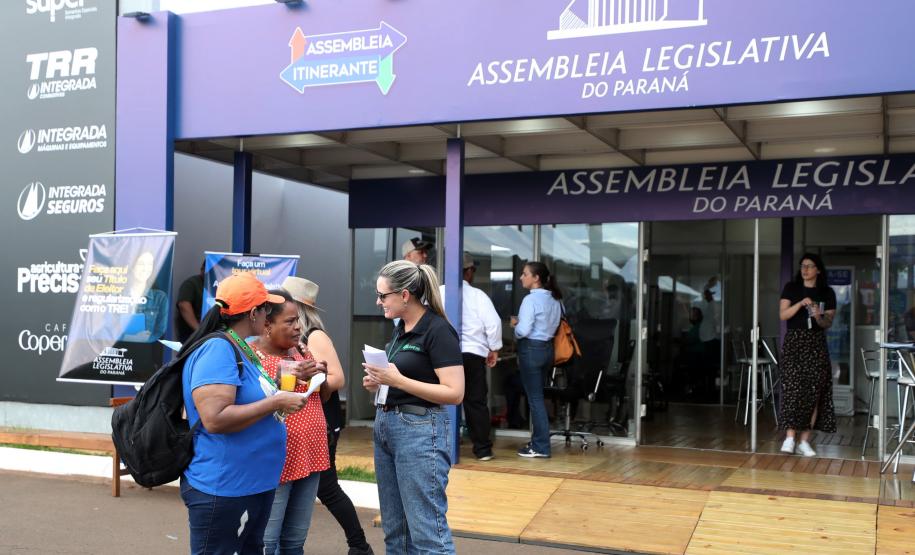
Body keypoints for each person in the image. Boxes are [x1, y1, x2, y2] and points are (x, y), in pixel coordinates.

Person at [179, 272, 308, 555]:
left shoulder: (240, 346)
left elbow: (247, 394)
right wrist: (276, 402)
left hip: (251, 483)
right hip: (224, 487)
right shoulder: (217, 348)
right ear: (253, 313)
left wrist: (278, 380)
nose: (268, 314)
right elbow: (215, 418)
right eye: (266, 308)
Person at [363, 260, 464, 554]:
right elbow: (402, 378)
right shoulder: (402, 328)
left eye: (383, 295)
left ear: (405, 295)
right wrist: (381, 382)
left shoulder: (438, 330)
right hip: (389, 427)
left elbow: (455, 393)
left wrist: (398, 380)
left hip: (419, 432)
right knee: (395, 532)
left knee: (427, 533)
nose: (378, 301)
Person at [282, 276, 375, 555]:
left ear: (297, 307)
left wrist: (309, 379)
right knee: (323, 486)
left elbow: (338, 378)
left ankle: (359, 545)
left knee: (326, 486)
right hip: (307, 419)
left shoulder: (314, 336)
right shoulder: (295, 337)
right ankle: (358, 545)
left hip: (322, 420)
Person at [250, 289, 330, 555]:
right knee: (267, 542)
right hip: (276, 462)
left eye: (298, 320)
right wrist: (289, 373)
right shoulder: (252, 357)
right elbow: (253, 398)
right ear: (266, 325)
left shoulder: (302, 351)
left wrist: (322, 376)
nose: (298, 327)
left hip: (310, 455)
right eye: (290, 321)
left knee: (295, 542)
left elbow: (323, 396)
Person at [439, 252, 502, 461]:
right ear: (468, 271)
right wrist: (493, 348)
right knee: (476, 401)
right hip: (473, 354)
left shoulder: (438, 293)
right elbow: (493, 324)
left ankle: (443, 446)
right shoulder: (478, 296)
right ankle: (482, 449)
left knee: (441, 399)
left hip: (444, 354)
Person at [778, 253, 837, 457]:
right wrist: (800, 303)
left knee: (814, 391)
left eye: (810, 266)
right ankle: (789, 438)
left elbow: (827, 323)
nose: (805, 269)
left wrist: (817, 314)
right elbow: (783, 315)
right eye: (803, 265)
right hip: (795, 342)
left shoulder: (827, 292)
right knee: (793, 389)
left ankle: (804, 440)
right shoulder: (791, 288)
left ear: (818, 270)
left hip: (816, 343)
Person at [510, 261, 562, 458]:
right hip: (547, 349)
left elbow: (523, 330)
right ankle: (539, 442)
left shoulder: (530, 301)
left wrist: (516, 325)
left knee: (535, 399)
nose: (521, 277)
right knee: (538, 397)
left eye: (525, 274)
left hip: (531, 349)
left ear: (536, 278)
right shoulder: (555, 299)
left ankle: (540, 446)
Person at [120, 250, 168, 343]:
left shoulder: (160, 298)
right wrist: (130, 338)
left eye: (149, 264)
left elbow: (160, 331)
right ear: (132, 266)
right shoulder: (117, 295)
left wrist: (144, 340)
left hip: (147, 351)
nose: (145, 268)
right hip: (118, 349)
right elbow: (109, 329)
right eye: (141, 264)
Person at [176, 261, 205, 343]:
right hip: (192, 334)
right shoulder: (192, 283)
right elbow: (183, 305)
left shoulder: (220, 284)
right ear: (202, 270)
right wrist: (198, 329)